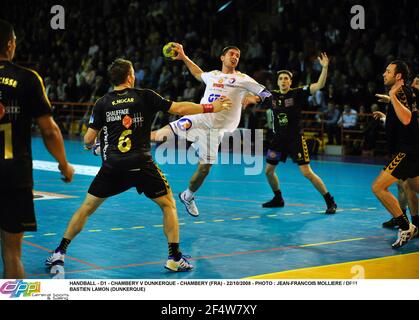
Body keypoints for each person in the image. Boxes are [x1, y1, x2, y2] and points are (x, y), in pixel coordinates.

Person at [45, 59, 232, 272]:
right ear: (129, 76)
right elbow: (179, 108)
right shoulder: (145, 96)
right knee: (169, 205)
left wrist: (94, 146)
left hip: (113, 167)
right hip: (142, 165)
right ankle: (174, 257)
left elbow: (88, 139)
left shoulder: (102, 103)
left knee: (86, 209)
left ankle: (59, 252)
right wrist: (210, 107)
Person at [151, 44, 270, 217]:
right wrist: (184, 57)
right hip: (200, 118)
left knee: (204, 169)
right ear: (222, 57)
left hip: (216, 132)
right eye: (231, 53)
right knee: (159, 136)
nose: (235, 57)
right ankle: (116, 141)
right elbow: (198, 73)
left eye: (237, 55)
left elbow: (263, 92)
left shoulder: (243, 79)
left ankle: (188, 196)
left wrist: (256, 98)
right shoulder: (213, 75)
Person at [0, 20, 74, 278]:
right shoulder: (27, 79)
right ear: (10, 44)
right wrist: (64, 164)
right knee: (12, 255)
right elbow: (50, 130)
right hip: (13, 176)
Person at [255, 53, 338, 214]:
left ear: (290, 82)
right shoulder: (271, 95)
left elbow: (319, 85)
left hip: (295, 140)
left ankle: (330, 201)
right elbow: (254, 95)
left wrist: (325, 67)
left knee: (306, 172)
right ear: (277, 82)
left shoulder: (298, 93)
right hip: (277, 140)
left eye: (286, 78)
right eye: (281, 79)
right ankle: (278, 198)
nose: (283, 81)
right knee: (268, 171)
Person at [371, 60, 419, 248]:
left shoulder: (400, 92)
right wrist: (390, 104)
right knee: (414, 187)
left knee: (378, 187)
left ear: (398, 76)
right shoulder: (403, 93)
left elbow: (407, 119)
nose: (384, 74)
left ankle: (406, 226)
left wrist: (393, 96)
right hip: (410, 150)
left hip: (405, 152)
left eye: (388, 71)